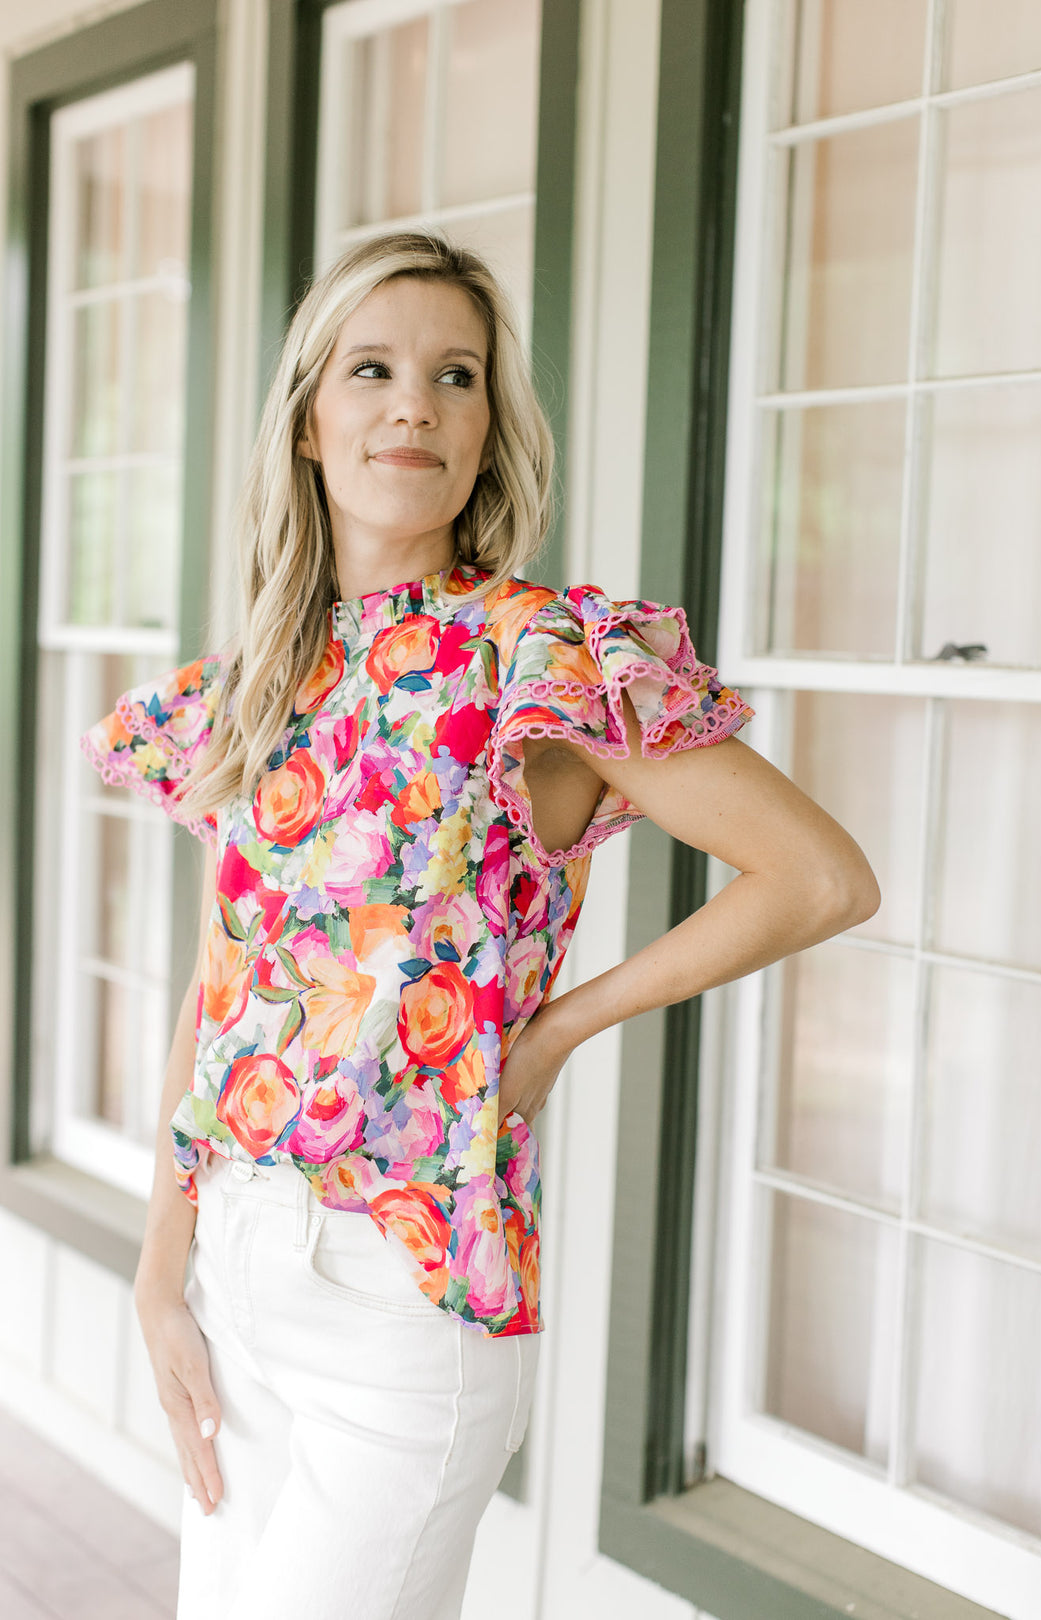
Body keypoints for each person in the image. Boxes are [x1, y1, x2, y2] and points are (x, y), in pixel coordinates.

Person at [81, 229, 879, 1620]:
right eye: (374, 369)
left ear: (490, 427)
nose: (416, 406)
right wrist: (161, 1277)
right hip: (235, 1281)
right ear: (311, 420)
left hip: (407, 1303)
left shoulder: (538, 656)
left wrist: (559, 1028)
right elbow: (225, 994)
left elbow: (818, 877)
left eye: (457, 377)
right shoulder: (263, 683)